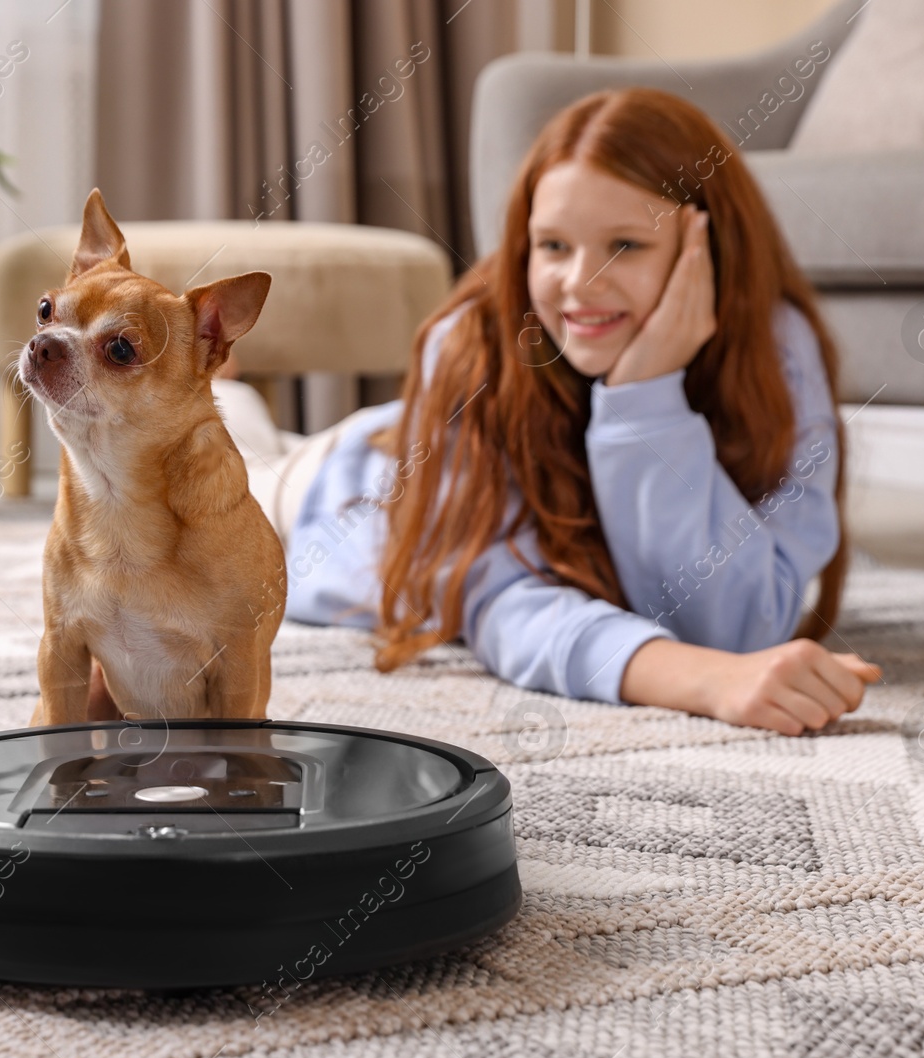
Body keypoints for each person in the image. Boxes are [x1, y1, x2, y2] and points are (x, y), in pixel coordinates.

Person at [215, 87, 882, 736]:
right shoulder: (471, 347)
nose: (579, 284)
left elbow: (743, 624)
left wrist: (645, 398)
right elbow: (505, 604)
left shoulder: (778, 347)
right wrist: (706, 679)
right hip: (336, 492)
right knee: (225, 451)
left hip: (389, 440)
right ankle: (228, 387)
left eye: (627, 244)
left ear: (707, 244)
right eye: (554, 246)